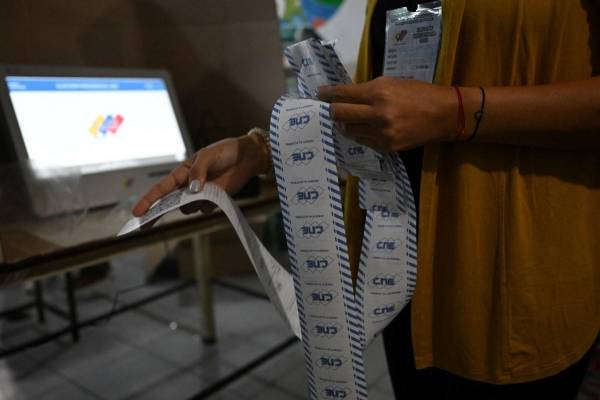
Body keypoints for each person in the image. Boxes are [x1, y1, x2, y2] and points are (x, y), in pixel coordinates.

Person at [133, 0, 600, 398]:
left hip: (508, 281)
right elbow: (385, 113)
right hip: (397, 276)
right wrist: (261, 149)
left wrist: (454, 111)